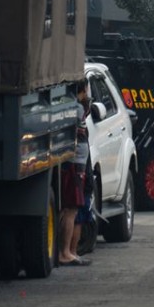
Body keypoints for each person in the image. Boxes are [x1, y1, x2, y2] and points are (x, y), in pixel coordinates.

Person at [59, 80, 91, 266]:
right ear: (82, 89)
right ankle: (65, 252)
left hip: (75, 162)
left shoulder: (76, 106)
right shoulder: (76, 108)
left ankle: (65, 251)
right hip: (75, 163)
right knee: (71, 209)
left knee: (70, 208)